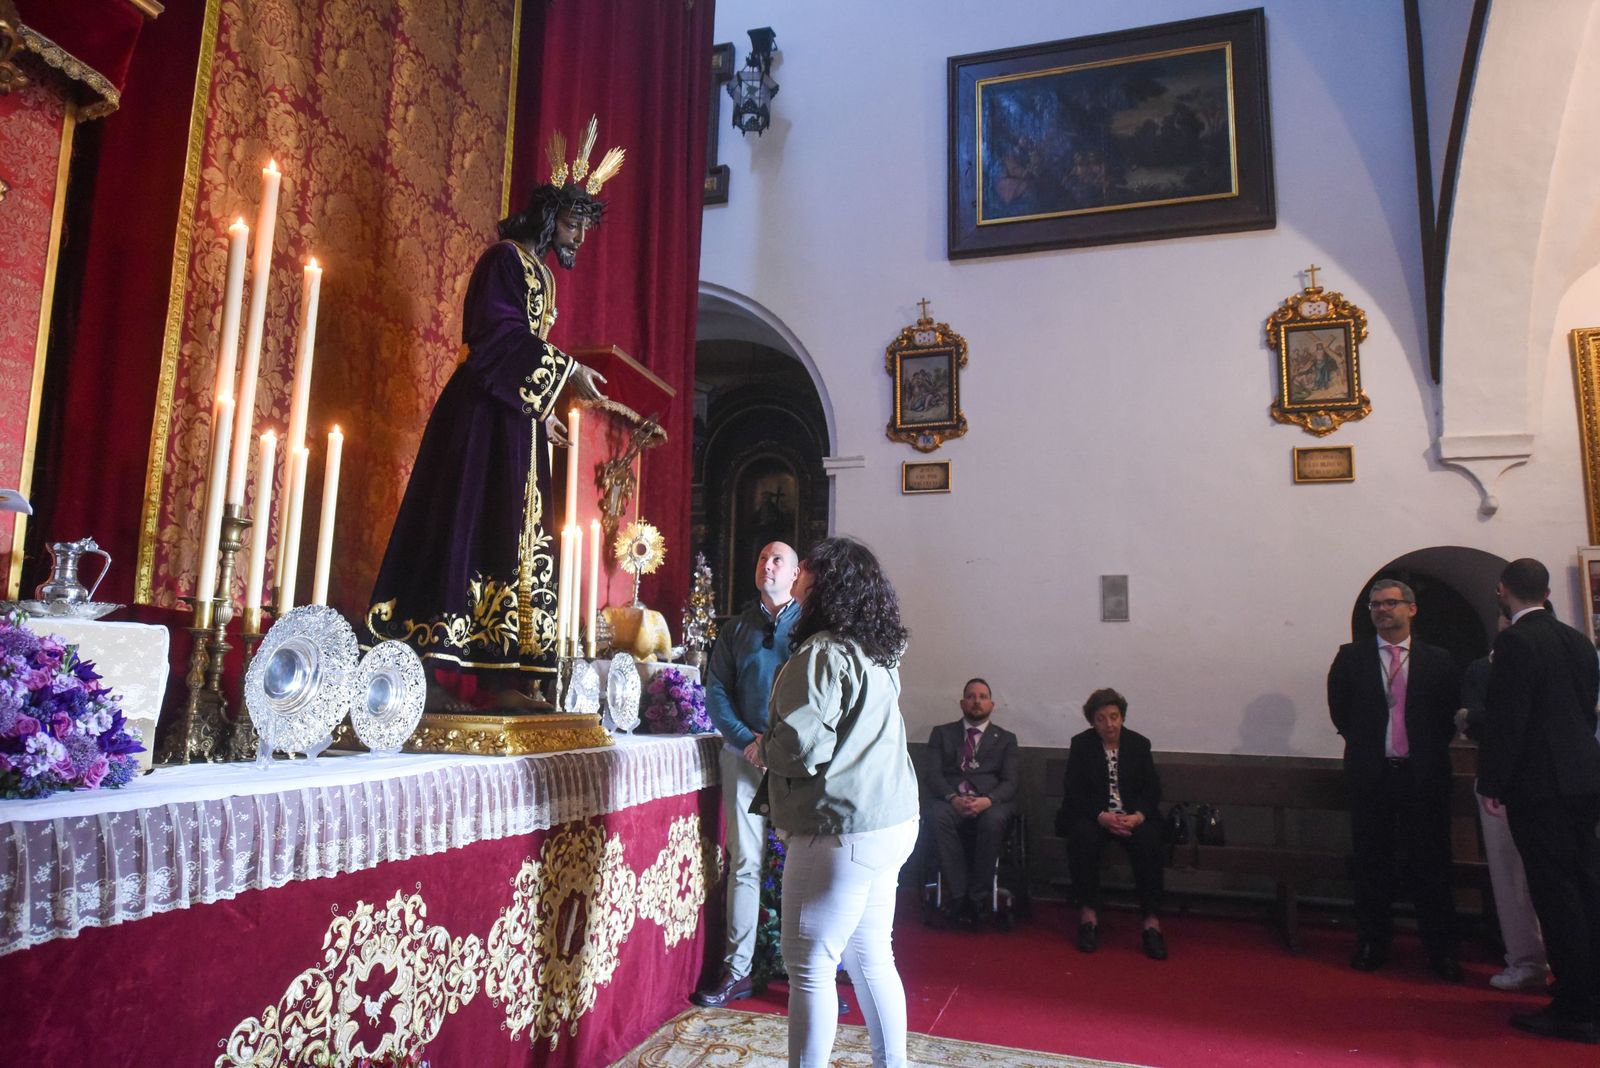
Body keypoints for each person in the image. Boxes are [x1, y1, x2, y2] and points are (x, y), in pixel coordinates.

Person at [364, 117, 619, 707]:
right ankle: (427, 663)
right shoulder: (503, 260)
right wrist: (566, 373)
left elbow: (518, 352)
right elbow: (494, 336)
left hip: (514, 420)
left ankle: (505, 670)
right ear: (550, 214)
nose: (579, 236)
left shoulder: (541, 277)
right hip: (479, 419)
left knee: (514, 534)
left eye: (585, 226)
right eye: (574, 222)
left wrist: (541, 409)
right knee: (465, 523)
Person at [758, 537, 920, 1068]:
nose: (797, 574)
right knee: (872, 953)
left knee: (809, 965)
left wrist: (765, 748)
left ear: (827, 584)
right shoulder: (878, 651)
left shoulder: (824, 651)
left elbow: (803, 748)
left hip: (841, 829)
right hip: (890, 818)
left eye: (806, 568)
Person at [1479, 558, 1600, 1044]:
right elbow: (1582, 709)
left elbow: (1511, 719)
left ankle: (1575, 1006)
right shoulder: (1579, 641)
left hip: (1540, 787)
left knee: (1555, 894)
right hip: (1584, 779)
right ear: (1547, 592)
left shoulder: (1515, 641)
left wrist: (1493, 782)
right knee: (1588, 887)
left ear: (1503, 590)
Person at [1327, 579, 1462, 980]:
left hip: (1423, 776)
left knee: (1431, 864)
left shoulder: (1437, 659)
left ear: (1412, 609)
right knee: (1372, 862)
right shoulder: (1351, 658)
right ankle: (1372, 942)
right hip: (1373, 775)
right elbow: (1341, 712)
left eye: (1390, 603)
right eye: (1375, 605)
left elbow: (1446, 715)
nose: (1382, 610)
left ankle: (1441, 950)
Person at [691, 542, 801, 1008]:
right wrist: (749, 741)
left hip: (798, 762)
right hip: (744, 755)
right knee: (745, 862)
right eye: (761, 558)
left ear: (796, 574)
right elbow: (716, 690)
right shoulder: (736, 629)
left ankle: (805, 973)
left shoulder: (813, 629)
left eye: (777, 560)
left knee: (803, 866)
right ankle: (737, 969)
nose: (767, 565)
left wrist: (781, 747)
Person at [1455, 619, 1549, 992]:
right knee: (1510, 874)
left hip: (1548, 782)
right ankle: (1525, 958)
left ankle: (1569, 957)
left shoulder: (1558, 656)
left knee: (1556, 874)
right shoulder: (1483, 668)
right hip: (1500, 777)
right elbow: (1474, 719)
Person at [1056, 687, 1167, 960]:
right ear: (1093, 722)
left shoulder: (1139, 744)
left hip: (1132, 816)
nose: (1109, 724)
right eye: (1102, 718)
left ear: (1123, 717)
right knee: (1082, 838)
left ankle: (1151, 923)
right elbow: (1074, 791)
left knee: (1150, 842)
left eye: (1114, 717)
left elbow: (1151, 789)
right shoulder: (1082, 745)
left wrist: (1138, 816)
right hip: (1094, 816)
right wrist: (1101, 816)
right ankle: (1088, 917)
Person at [922, 678, 1019, 926]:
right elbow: (932, 775)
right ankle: (958, 895)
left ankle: (978, 897)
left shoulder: (1006, 739)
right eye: (972, 696)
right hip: (951, 800)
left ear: (992, 704)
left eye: (983, 697)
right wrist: (953, 798)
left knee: (995, 819)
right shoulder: (941, 734)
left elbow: (1010, 782)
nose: (977, 701)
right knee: (937, 815)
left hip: (990, 803)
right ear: (962, 702)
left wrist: (988, 800)